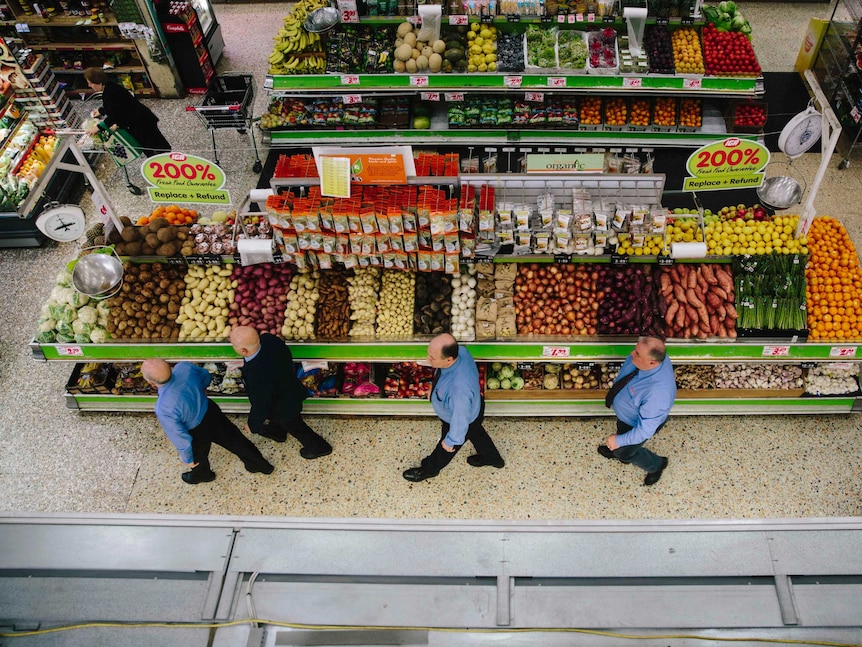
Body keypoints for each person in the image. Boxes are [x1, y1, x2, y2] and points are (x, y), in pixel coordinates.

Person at [142, 359, 274, 484]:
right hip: (211, 411)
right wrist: (203, 388)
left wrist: (188, 458)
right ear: (170, 366)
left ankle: (203, 474)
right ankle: (260, 464)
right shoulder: (184, 367)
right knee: (235, 439)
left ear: (151, 384)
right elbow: (205, 375)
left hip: (195, 430)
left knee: (199, 455)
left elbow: (180, 437)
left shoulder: (163, 408)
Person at [403, 333, 504, 482]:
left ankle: (429, 469)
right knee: (477, 434)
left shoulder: (459, 391)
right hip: (475, 406)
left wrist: (450, 441)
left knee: (445, 450)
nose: (427, 359)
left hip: (460, 419)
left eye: (432, 357)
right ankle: (493, 459)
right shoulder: (461, 352)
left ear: (449, 359)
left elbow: (460, 421)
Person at [229, 326, 332, 459]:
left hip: (282, 407)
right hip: (290, 389)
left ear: (243, 350)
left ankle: (319, 447)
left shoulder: (258, 375)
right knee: (280, 422)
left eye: (233, 344)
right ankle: (278, 433)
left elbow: (261, 404)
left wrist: (252, 425)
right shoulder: (269, 340)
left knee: (297, 427)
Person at [598, 335, 676, 486]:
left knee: (624, 451)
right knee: (620, 432)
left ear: (652, 362)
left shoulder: (658, 393)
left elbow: (644, 430)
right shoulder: (651, 360)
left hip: (636, 424)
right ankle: (616, 449)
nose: (631, 354)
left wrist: (619, 441)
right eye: (635, 349)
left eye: (637, 354)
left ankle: (657, 465)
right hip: (627, 416)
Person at [83, 67, 171, 157]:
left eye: (90, 83)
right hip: (141, 119)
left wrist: (99, 127)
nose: (89, 85)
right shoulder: (111, 87)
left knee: (152, 145)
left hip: (140, 122)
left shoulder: (110, 92)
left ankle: (163, 160)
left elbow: (115, 115)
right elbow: (118, 105)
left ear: (99, 83)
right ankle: (161, 157)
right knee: (153, 142)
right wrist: (101, 111)